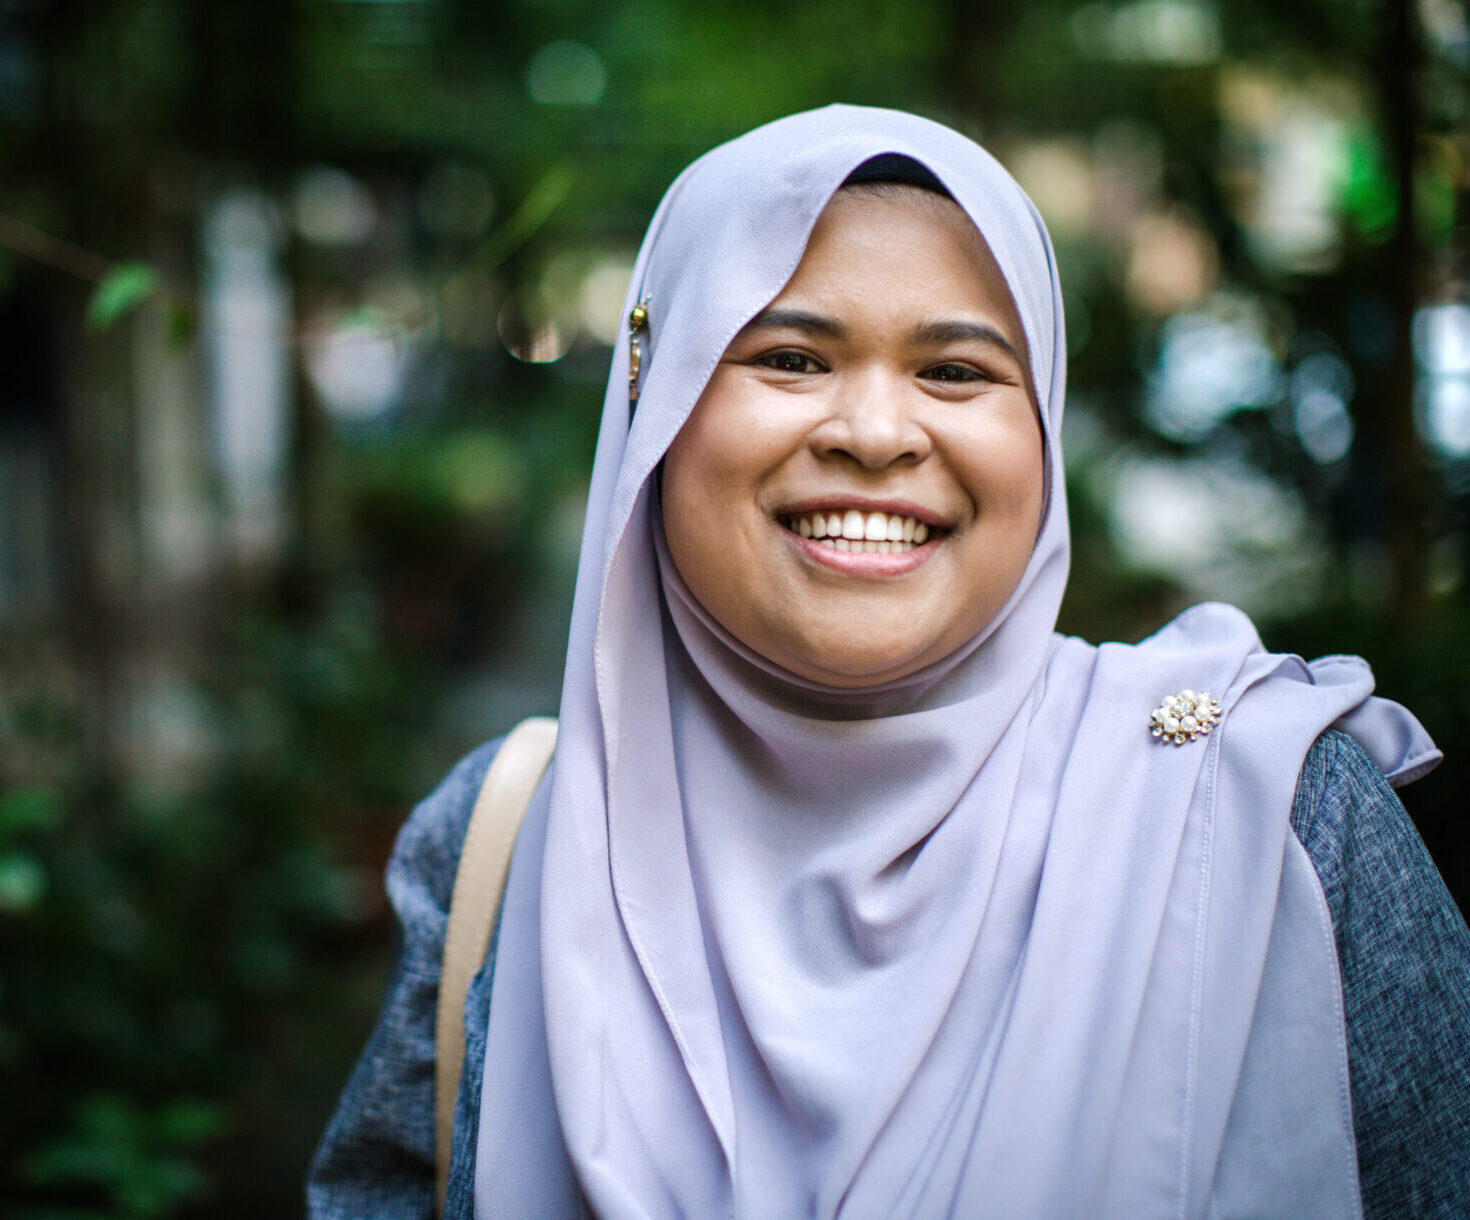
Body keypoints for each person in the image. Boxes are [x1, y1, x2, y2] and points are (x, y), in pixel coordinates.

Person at [308, 105, 1470, 1219]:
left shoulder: (1272, 815)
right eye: (790, 357)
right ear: (656, 408)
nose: (873, 431)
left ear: (1043, 425)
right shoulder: (505, 842)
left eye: (956, 372)